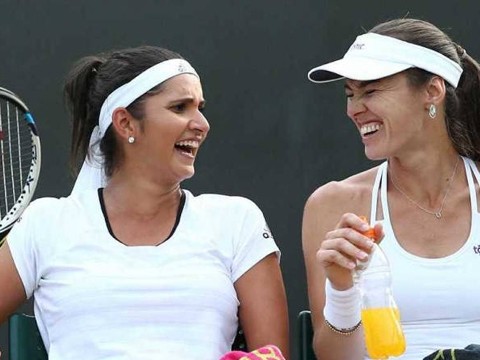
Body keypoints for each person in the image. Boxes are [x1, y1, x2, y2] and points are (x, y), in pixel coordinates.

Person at [0, 45, 289, 359]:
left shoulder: (237, 221)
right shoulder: (46, 223)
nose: (202, 124)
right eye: (180, 107)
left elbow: (271, 355)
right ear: (125, 123)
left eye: (199, 107)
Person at [302, 18, 480, 360]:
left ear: (433, 91)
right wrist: (342, 289)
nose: (354, 109)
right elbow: (335, 357)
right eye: (351, 94)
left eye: (370, 91)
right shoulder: (332, 204)